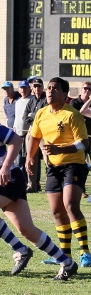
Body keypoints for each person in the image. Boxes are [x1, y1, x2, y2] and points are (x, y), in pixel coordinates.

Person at [0, 86, 78, 280]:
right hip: (7, 178)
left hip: (8, 177)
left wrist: (4, 167)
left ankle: (20, 250)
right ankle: (67, 263)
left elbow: (16, 141)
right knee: (27, 229)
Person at [26, 77, 91, 269]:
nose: (50, 91)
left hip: (74, 165)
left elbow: (84, 143)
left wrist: (60, 150)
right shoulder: (41, 113)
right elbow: (34, 137)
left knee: (70, 205)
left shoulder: (72, 115)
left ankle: (85, 252)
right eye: (49, 88)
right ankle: (64, 256)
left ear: (65, 94)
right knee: (56, 211)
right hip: (53, 167)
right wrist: (30, 157)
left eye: (55, 89)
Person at [22, 78, 47, 193]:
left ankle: (51, 184)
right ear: (32, 88)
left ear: (42, 87)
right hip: (32, 132)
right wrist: (34, 118)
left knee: (48, 159)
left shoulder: (47, 99)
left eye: (39, 86)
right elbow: (25, 117)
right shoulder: (31, 101)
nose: (37, 88)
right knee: (30, 158)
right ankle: (32, 185)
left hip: (45, 132)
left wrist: (33, 116)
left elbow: (46, 115)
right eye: (35, 86)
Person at [13, 80, 33, 178]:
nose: (23, 90)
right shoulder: (17, 102)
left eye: (25, 88)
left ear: (29, 89)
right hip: (18, 134)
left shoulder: (32, 100)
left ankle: (32, 182)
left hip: (28, 134)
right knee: (19, 160)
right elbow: (17, 117)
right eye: (21, 88)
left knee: (30, 159)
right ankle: (22, 181)